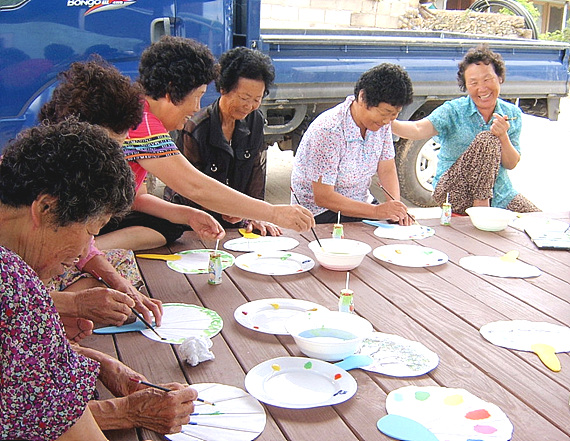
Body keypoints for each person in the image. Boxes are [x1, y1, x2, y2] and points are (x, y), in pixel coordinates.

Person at [0, 120, 198, 440]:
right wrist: (128, 411)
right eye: (91, 232)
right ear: (46, 208)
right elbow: (51, 419)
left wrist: (98, 362)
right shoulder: (17, 285)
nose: (83, 254)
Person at [95, 36, 314, 252]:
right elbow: (195, 186)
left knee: (171, 226)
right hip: (86, 219)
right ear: (172, 91)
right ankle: (84, 252)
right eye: (198, 95)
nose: (196, 107)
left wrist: (188, 215)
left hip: (100, 217)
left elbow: (138, 197)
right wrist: (273, 213)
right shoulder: (144, 123)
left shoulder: (139, 111)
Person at [38, 57, 167, 327]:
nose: (111, 160)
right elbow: (12, 292)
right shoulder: (36, 178)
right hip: (19, 290)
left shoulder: (75, 173)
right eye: (105, 150)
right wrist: (76, 303)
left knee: (120, 267)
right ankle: (48, 318)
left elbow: (87, 249)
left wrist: (123, 287)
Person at [391, 44, 540, 215]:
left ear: (499, 78)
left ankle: (485, 210)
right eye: (473, 83)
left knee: (539, 220)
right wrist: (387, 121)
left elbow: (511, 163)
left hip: (500, 194)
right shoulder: (454, 110)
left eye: (487, 79)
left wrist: (503, 136)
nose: (482, 88)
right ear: (466, 86)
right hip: (454, 192)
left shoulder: (512, 114)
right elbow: (418, 129)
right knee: (487, 139)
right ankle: (481, 211)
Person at [165, 46, 281, 236]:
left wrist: (254, 213)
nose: (249, 106)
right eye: (244, 97)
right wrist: (227, 208)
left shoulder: (256, 121)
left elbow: (256, 170)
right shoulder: (197, 127)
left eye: (256, 99)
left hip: (236, 219)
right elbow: (189, 188)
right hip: (194, 222)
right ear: (223, 88)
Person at [290, 63, 414, 225]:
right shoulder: (330, 129)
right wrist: (377, 211)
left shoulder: (383, 125)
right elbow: (323, 197)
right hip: (319, 213)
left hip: (362, 203)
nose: (386, 121)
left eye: (393, 116)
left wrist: (396, 209)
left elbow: (387, 168)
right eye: (384, 113)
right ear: (362, 98)